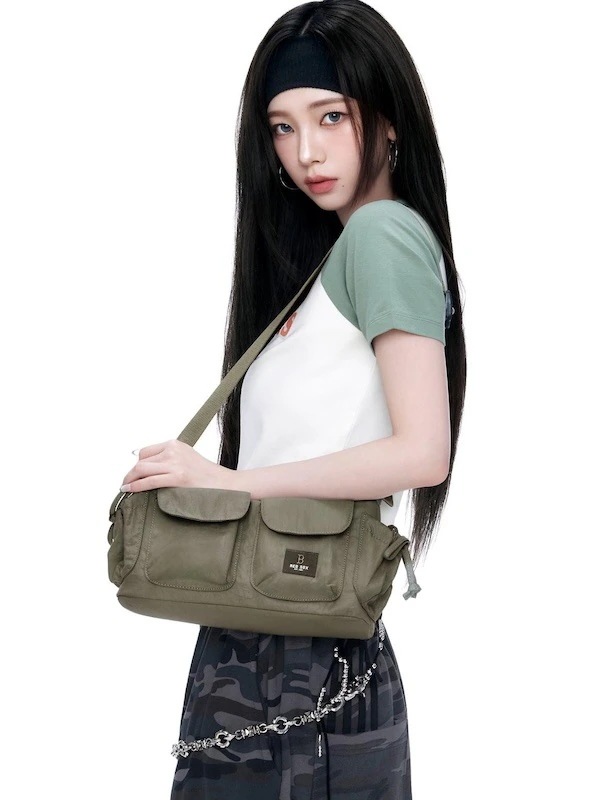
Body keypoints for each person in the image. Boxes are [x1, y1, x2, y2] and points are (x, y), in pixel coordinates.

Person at [119, 1, 466, 797]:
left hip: (300, 642)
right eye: (281, 127)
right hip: (272, 620)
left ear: (390, 120)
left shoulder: (381, 235)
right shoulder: (335, 255)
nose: (304, 150)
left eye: (330, 116)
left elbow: (423, 452)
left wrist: (227, 484)